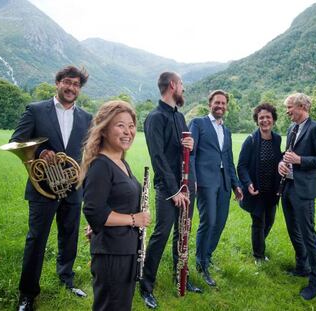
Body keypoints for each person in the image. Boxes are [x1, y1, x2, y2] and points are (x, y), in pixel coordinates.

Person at [11, 66, 92, 311]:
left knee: (70, 237)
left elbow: (87, 151)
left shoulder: (86, 118)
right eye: (67, 82)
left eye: (76, 84)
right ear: (57, 83)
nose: (71, 88)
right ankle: (27, 293)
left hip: (72, 188)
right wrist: (38, 151)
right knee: (36, 239)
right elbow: (16, 139)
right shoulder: (36, 110)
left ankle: (66, 278)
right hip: (42, 188)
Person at [139, 72, 202, 309]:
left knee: (182, 233)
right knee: (162, 233)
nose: (183, 89)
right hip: (168, 188)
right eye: (182, 85)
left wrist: (191, 146)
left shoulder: (180, 117)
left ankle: (181, 276)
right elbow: (158, 158)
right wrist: (174, 191)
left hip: (187, 184)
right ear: (173, 85)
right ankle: (145, 286)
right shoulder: (154, 118)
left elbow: (183, 152)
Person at [81, 100, 151, 311]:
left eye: (131, 126)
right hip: (112, 254)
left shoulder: (121, 161)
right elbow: (93, 211)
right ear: (103, 129)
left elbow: (108, 203)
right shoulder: (101, 165)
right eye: (120, 125)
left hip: (124, 249)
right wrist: (134, 219)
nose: (128, 131)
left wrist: (100, 223)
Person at [278, 93, 316, 300]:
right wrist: (283, 164)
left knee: (308, 234)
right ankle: (302, 266)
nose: (287, 111)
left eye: (289, 107)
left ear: (301, 106)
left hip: (305, 190)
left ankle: (314, 282)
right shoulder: (292, 128)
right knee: (293, 230)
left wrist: (300, 160)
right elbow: (287, 154)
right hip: (288, 186)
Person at [189, 90, 243, 286]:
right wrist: (191, 178)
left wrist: (236, 184)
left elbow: (228, 160)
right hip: (205, 181)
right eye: (216, 102)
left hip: (224, 182)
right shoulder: (198, 123)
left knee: (219, 222)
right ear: (210, 103)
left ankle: (207, 256)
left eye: (223, 103)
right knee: (208, 221)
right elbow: (191, 154)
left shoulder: (226, 131)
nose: (220, 106)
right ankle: (201, 264)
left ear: (226, 106)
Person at [237, 103, 282, 265]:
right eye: (261, 117)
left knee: (269, 221)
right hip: (256, 190)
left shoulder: (277, 139)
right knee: (258, 222)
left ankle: (258, 245)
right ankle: (258, 256)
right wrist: (248, 183)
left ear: (273, 120)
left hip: (272, 191)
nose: (264, 120)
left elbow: (278, 160)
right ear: (257, 120)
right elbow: (241, 166)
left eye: (268, 117)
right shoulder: (250, 141)